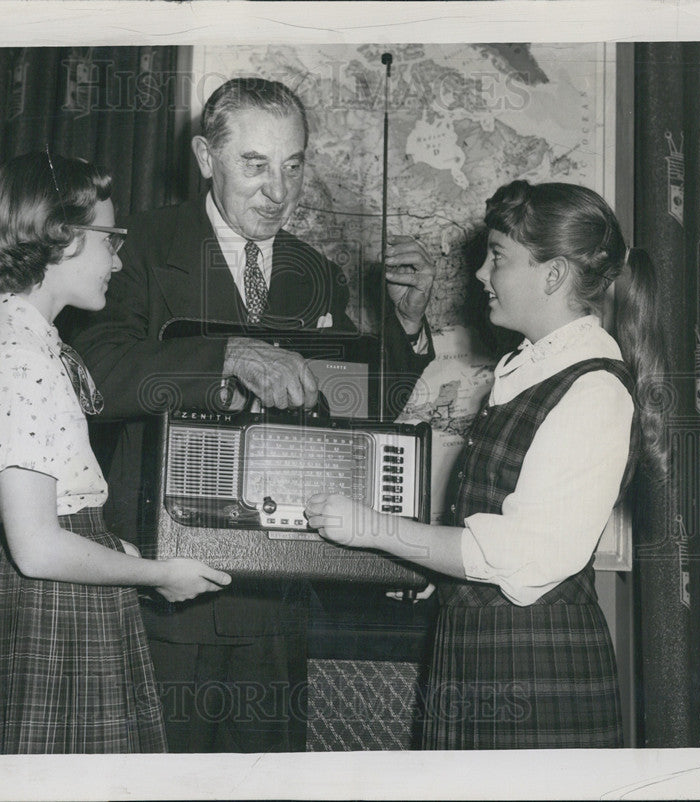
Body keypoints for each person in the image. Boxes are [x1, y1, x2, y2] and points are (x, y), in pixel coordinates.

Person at [69, 77, 436, 753]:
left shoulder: (314, 271)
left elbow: (359, 412)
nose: (279, 192)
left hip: (275, 596)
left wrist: (406, 331)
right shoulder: (138, 244)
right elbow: (95, 368)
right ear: (207, 158)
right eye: (255, 165)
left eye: (293, 166)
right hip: (162, 587)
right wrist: (226, 356)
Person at [306, 179, 669, 749]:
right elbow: (490, 517)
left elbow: (521, 556)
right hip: (483, 644)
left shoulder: (594, 389)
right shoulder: (530, 370)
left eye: (497, 256)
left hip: (533, 663)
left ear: (552, 276)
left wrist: (372, 528)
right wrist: (443, 569)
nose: (480, 274)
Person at [0, 151, 230, 755]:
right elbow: (37, 546)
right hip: (47, 607)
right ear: (60, 239)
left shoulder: (20, 338)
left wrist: (125, 556)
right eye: (110, 239)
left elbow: (55, 515)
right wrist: (159, 573)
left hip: (39, 595)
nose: (118, 257)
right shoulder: (20, 357)